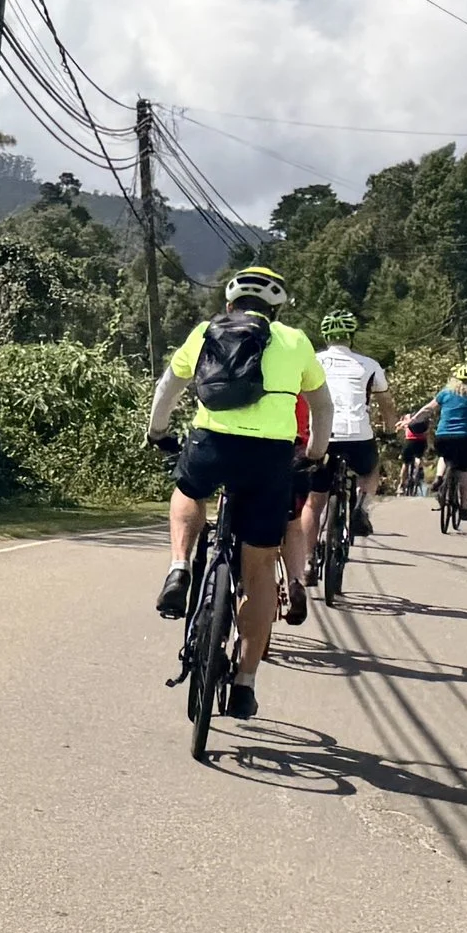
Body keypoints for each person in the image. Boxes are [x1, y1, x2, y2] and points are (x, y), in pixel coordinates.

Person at [146, 263, 331, 721]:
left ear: (229, 304)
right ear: (276, 309)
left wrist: (158, 431)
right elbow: (322, 406)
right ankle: (245, 682)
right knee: (260, 569)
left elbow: (169, 386)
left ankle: (178, 568)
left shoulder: (206, 331)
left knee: (189, 488)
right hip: (270, 457)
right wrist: (312, 453)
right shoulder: (296, 341)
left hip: (213, 443)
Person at [311, 310, 391, 540]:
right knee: (370, 469)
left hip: (322, 434)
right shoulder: (369, 364)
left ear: (326, 337)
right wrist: (389, 430)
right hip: (358, 433)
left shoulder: (313, 362)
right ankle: (361, 508)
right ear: (352, 335)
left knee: (313, 503)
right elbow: (386, 403)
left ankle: (307, 561)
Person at [433, 365, 467, 520]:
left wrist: (412, 420)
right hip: (463, 438)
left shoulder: (444, 394)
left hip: (442, 437)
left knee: (444, 456)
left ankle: (439, 477)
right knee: (464, 472)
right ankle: (464, 508)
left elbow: (427, 409)